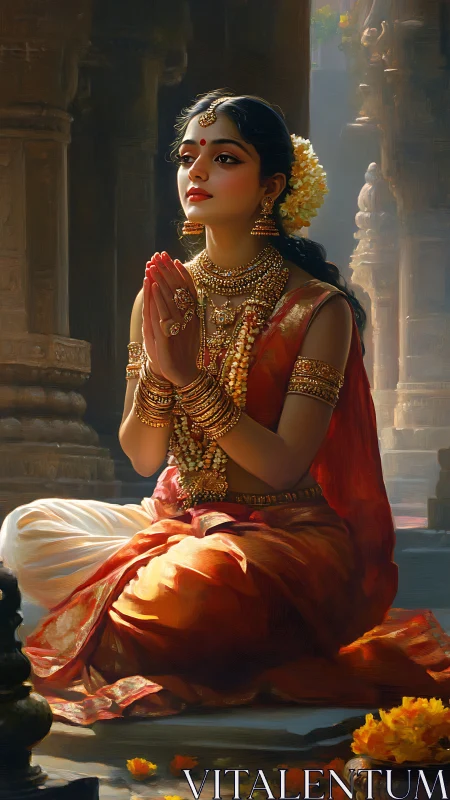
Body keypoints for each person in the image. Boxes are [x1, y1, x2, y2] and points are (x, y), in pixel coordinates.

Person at [1, 91, 450, 726]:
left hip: (284, 538)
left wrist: (188, 375)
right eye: (188, 157)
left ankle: (128, 606)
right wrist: (161, 366)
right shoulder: (160, 294)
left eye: (225, 158)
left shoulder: (317, 310)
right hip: (176, 520)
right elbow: (144, 455)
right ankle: (142, 594)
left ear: (271, 187)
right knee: (25, 530)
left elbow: (282, 465)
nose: (198, 172)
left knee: (188, 591)